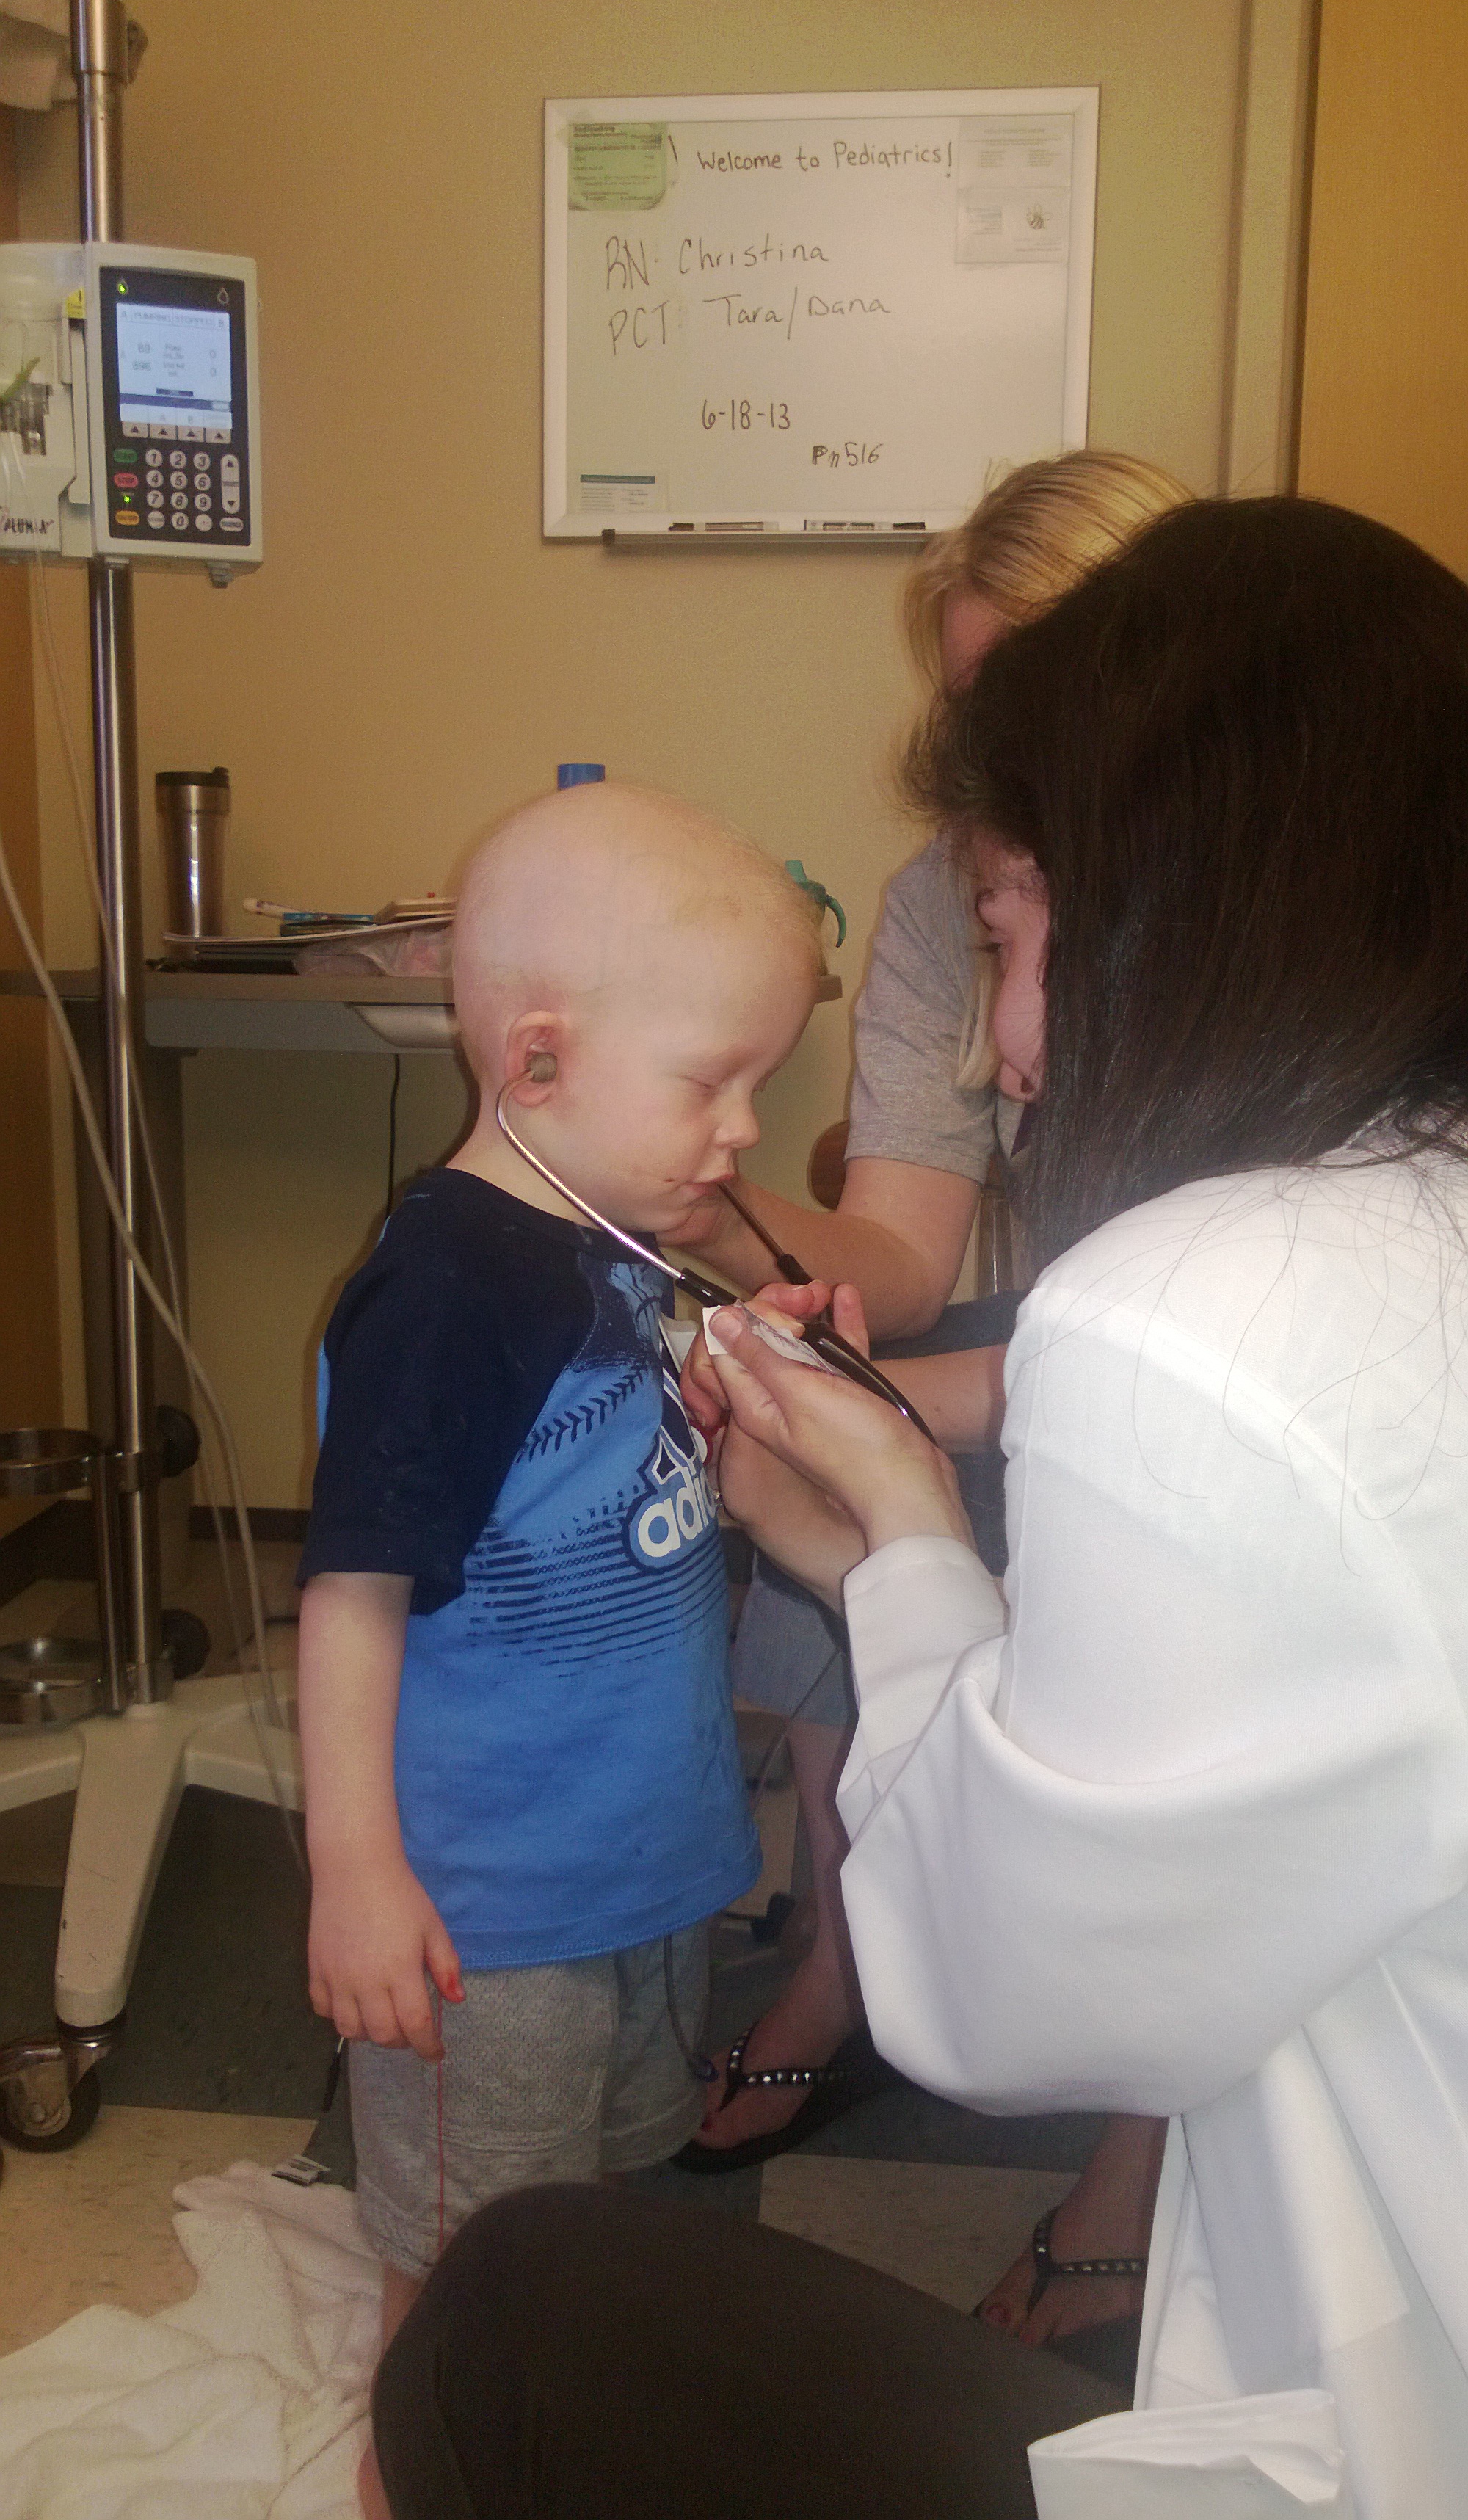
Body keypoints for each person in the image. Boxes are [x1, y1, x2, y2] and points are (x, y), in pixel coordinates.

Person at [366, 495, 1468, 2520]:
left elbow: (996, 2001)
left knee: (510, 2317)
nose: (1010, 1043)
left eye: (1023, 935)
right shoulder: (1408, 1222)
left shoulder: (1207, 1309)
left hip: (1378, 2437)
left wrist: (906, 1535)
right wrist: (868, 1516)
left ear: (1177, 898)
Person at [672, 450, 1189, 2380]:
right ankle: (849, 1958)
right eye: (975, 705)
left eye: (1032, 698)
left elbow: (1185, 1358)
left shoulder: (1251, 911)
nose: (994, 756)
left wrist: (916, 1429)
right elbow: (896, 1250)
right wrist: (712, 1199)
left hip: (1181, 1375)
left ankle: (1141, 2145)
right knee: (819, 1474)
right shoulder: (933, 901)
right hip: (1068, 1333)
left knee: (1121, 1607)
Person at [293, 782, 821, 2512]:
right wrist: (356, 1872)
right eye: (710, 1084)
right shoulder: (446, 1290)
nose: (744, 1129)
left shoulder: (601, 1235)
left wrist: (723, 1373)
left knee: (578, 2223)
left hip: (633, 1864)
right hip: (490, 1916)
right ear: (538, 1061)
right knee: (467, 2273)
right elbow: (352, 1592)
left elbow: (587, 1468)